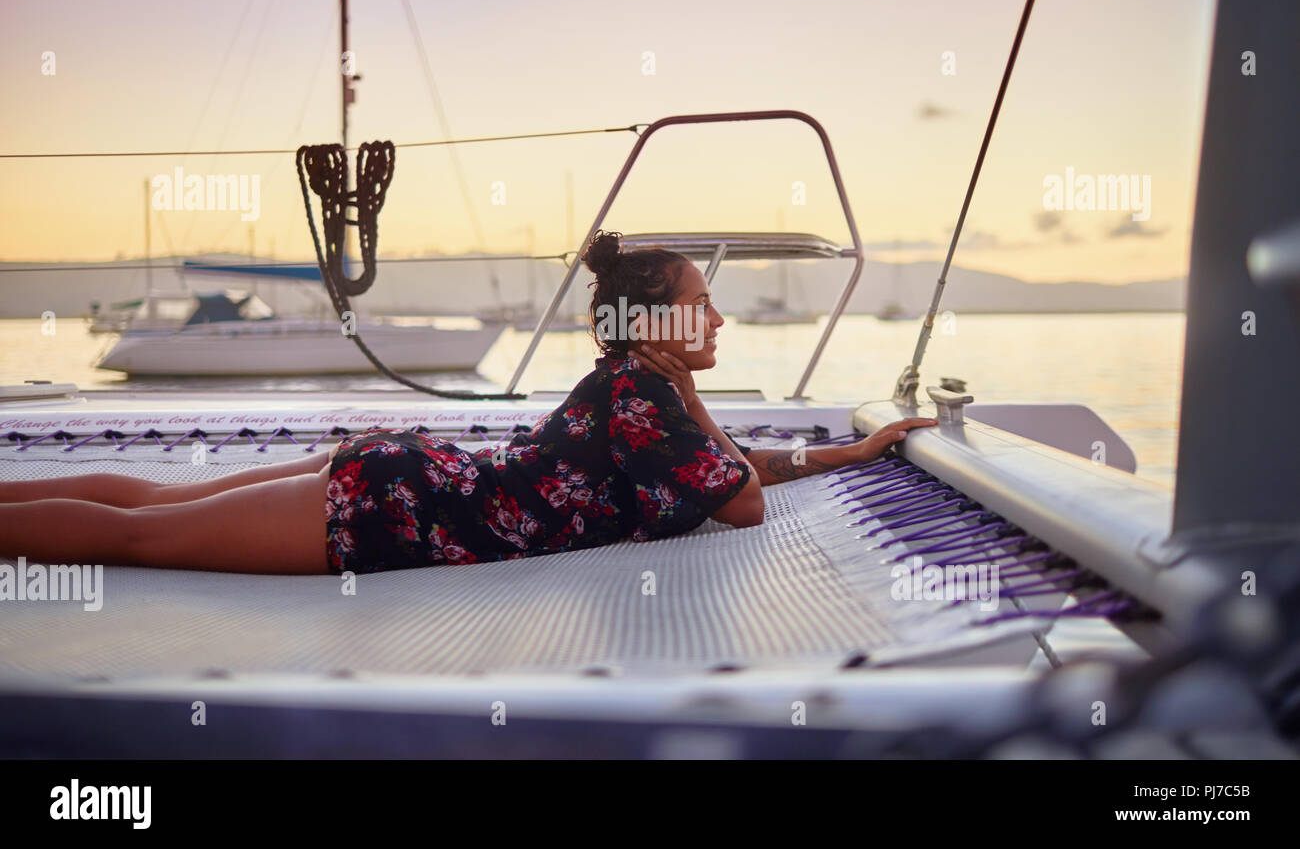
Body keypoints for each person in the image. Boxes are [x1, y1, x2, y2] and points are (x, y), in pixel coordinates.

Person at [0, 230, 935, 574]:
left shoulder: (637, 387)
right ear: (652, 319)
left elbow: (727, 472)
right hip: (393, 507)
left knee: (158, 511)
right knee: (144, 539)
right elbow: (739, 500)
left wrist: (845, 457)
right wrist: (692, 388)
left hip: (405, 479)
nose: (720, 317)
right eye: (701, 304)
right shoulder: (647, 397)